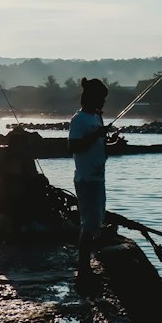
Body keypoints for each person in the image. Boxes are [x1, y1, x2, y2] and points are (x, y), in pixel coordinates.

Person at [68, 76, 119, 292]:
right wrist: (96, 135)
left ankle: (86, 268)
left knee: (95, 223)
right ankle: (83, 270)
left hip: (98, 178)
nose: (104, 103)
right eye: (102, 98)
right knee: (89, 225)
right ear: (91, 97)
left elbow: (97, 144)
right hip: (87, 179)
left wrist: (111, 141)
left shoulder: (96, 117)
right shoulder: (79, 120)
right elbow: (73, 146)